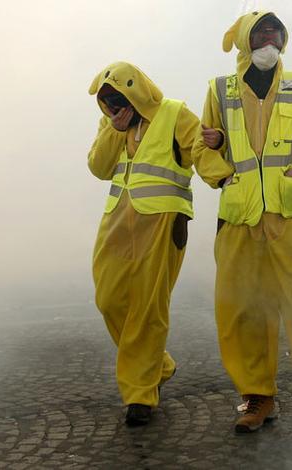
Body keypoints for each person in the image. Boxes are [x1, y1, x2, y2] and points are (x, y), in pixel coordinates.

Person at [193, 11, 292, 436]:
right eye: (262, 33)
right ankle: (258, 397)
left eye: (276, 34)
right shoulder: (219, 90)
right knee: (242, 310)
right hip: (239, 220)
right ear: (245, 40)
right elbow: (201, 147)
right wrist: (222, 172)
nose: (271, 41)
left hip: (290, 215)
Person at [87, 62, 198, 427]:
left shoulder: (174, 113)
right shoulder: (113, 124)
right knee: (109, 300)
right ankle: (158, 364)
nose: (113, 106)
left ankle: (140, 395)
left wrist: (225, 174)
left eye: (119, 98)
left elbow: (203, 148)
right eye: (107, 101)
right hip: (118, 221)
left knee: (148, 308)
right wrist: (115, 130)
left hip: (164, 222)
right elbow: (99, 168)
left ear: (137, 91)